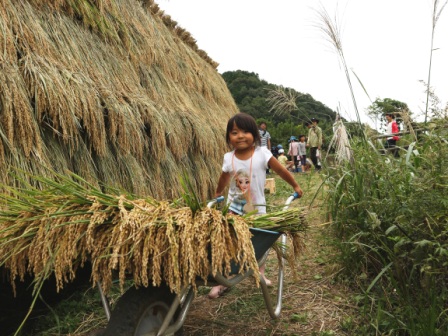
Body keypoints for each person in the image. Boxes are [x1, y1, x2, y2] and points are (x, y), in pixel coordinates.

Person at [208, 113, 303, 299]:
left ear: (254, 134)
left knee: (258, 243)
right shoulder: (229, 157)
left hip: (257, 209)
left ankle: (259, 272)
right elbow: (224, 177)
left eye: (245, 131)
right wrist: (218, 192)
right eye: (234, 132)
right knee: (230, 242)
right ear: (228, 137)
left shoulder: (262, 154)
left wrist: (295, 185)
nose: (240, 136)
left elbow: (280, 170)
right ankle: (224, 279)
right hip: (233, 209)